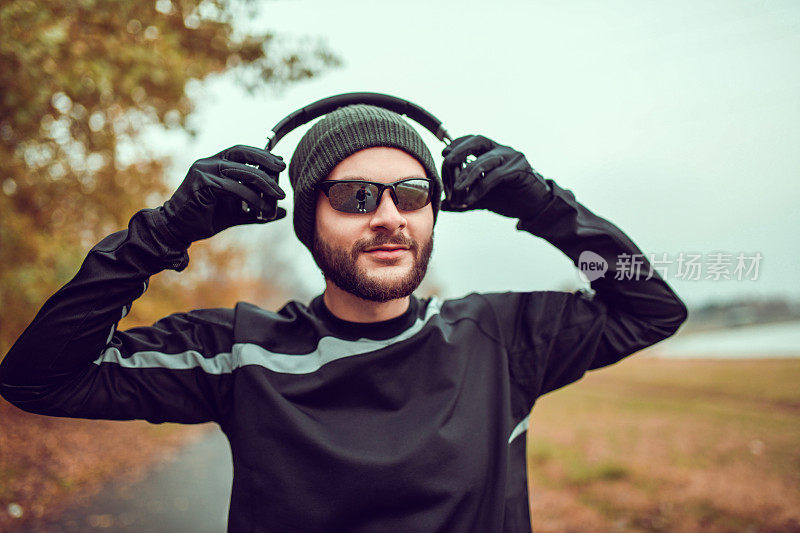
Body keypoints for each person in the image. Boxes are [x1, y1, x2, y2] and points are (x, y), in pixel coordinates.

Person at [0, 104, 688, 532]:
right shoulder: (242, 352)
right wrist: (162, 232)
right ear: (310, 221)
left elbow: (651, 305)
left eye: (412, 193)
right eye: (357, 195)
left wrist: (544, 205)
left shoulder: (501, 337)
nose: (389, 216)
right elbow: (40, 379)